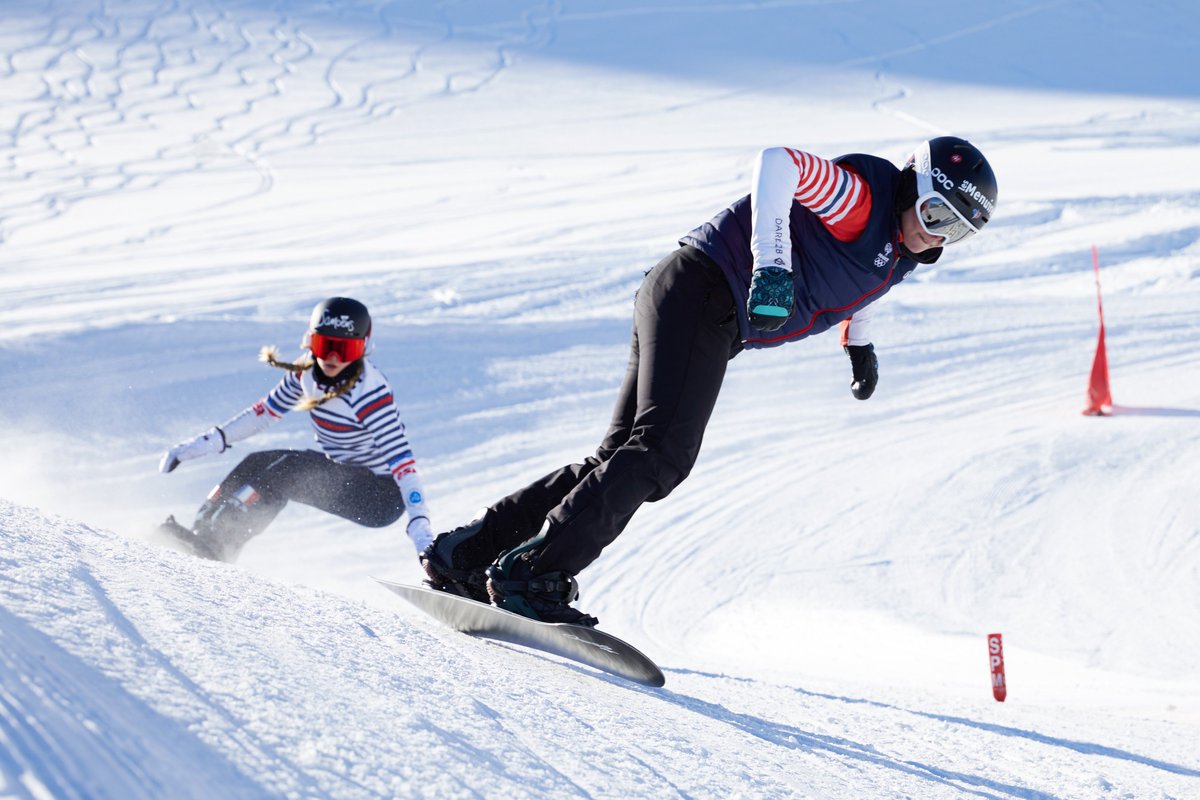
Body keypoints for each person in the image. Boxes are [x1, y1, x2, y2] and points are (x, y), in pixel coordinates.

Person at [422, 136, 998, 627]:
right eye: (935, 216)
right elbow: (779, 163)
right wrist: (772, 264)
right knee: (661, 454)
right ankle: (530, 576)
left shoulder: (899, 249)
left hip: (687, 296)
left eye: (956, 231)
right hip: (704, 290)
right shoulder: (858, 198)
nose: (937, 236)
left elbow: (864, 280)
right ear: (910, 188)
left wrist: (860, 343)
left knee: (622, 455)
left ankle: (469, 554)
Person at [157, 297, 434, 562]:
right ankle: (201, 532)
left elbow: (403, 463)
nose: (333, 358)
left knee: (286, 472)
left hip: (379, 497)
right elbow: (265, 412)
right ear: (311, 342)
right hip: (345, 471)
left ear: (363, 349)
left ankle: (218, 544)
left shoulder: (368, 394)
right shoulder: (306, 373)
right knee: (257, 463)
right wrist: (209, 442)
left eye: (345, 349)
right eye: (325, 345)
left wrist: (420, 527)